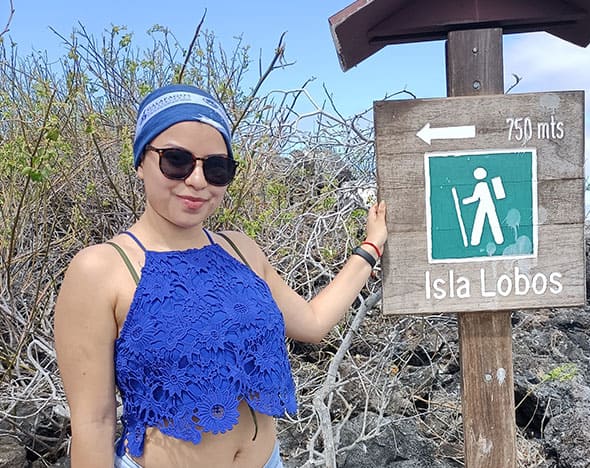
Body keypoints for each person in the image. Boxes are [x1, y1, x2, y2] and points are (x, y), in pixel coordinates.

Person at [54, 84, 387, 468]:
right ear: (140, 161)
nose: (197, 180)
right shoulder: (100, 269)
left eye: (216, 168)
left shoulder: (241, 249)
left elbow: (312, 323)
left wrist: (371, 246)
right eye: (176, 161)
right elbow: (93, 423)